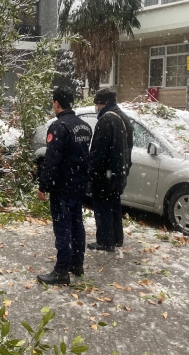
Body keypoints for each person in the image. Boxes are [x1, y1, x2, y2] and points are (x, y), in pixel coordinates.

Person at [36, 87, 92, 285]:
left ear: (57, 103)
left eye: (53, 103)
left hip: (62, 186)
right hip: (78, 185)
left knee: (62, 227)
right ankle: (76, 264)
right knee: (77, 225)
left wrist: (43, 186)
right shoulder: (85, 127)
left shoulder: (59, 127)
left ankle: (61, 271)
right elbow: (85, 157)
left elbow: (52, 160)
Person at [87, 88, 133, 252]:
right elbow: (129, 147)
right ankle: (117, 238)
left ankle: (105, 241)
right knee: (114, 204)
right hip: (119, 171)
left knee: (102, 205)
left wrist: (92, 173)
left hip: (106, 174)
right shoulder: (124, 118)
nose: (97, 107)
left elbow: (99, 152)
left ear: (103, 103)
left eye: (97, 104)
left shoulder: (106, 120)